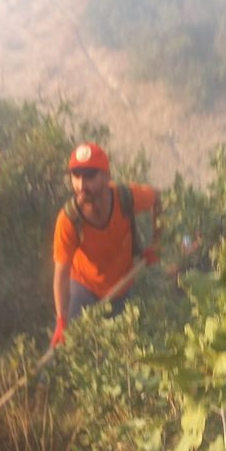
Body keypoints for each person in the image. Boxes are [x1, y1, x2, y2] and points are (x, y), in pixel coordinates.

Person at [51, 141, 161, 347]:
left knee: (118, 352)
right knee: (66, 351)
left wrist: (157, 243)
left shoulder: (126, 198)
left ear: (106, 176)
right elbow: (61, 274)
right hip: (83, 288)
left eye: (90, 176)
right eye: (76, 176)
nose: (82, 185)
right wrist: (61, 319)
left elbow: (158, 198)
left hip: (122, 287)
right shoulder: (68, 220)